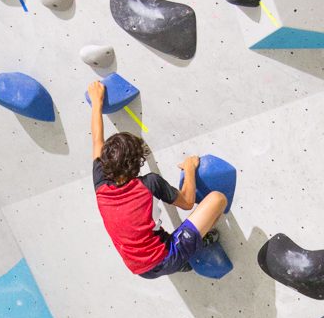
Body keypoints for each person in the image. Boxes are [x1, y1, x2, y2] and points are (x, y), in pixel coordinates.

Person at [88, 79, 227, 278]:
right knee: (217, 199)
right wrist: (189, 168)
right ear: (138, 162)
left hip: (138, 269)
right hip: (167, 257)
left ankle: (183, 257)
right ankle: (192, 251)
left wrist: (96, 102)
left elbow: (96, 140)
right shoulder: (149, 183)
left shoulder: (100, 181)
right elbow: (187, 202)